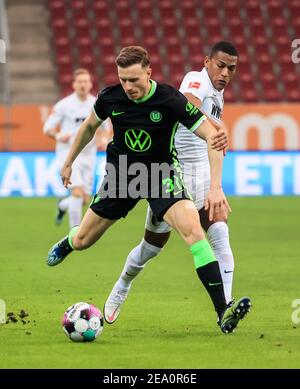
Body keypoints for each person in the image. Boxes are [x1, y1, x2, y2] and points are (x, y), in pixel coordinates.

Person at [46, 46, 250, 334]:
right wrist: (68, 162)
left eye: (134, 80)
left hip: (160, 175)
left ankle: (222, 312)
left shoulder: (169, 98)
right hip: (121, 177)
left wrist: (215, 187)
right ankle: (69, 241)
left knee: (195, 233)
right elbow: (90, 127)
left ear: (148, 73)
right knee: (83, 241)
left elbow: (212, 135)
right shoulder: (109, 97)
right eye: (123, 80)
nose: (128, 87)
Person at [104, 41, 249, 326]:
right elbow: (189, 104)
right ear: (207, 61)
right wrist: (216, 129)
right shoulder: (197, 80)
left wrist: (215, 185)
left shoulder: (218, 95)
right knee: (151, 248)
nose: (225, 73)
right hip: (172, 174)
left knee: (219, 236)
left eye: (231, 68)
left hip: (202, 175)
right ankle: (121, 286)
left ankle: (225, 311)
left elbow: (212, 141)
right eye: (220, 65)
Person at [43, 68, 112, 229]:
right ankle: (75, 232)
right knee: (77, 192)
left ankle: (63, 206)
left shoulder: (96, 104)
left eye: (86, 81)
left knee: (84, 199)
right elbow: (48, 128)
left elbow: (106, 130)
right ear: (74, 84)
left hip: (89, 154)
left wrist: (103, 138)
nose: (83, 84)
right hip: (68, 154)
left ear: (90, 84)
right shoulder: (64, 105)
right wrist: (59, 136)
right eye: (79, 81)